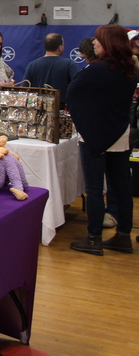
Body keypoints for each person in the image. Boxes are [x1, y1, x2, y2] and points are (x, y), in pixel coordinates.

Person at [65, 25, 135, 255]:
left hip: (93, 135)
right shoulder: (130, 69)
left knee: (95, 189)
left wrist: (84, 122)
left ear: (108, 43)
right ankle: (123, 236)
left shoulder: (95, 70)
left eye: (98, 40)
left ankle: (94, 238)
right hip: (120, 134)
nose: (94, 43)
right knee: (121, 187)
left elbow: (72, 94)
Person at [23, 33, 79, 106]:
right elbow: (78, 86)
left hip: (38, 109)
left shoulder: (32, 65)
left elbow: (24, 89)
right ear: (60, 47)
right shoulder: (69, 64)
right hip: (61, 108)